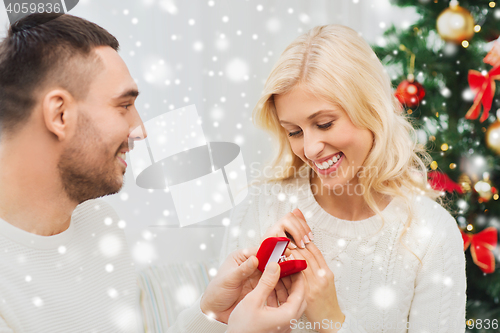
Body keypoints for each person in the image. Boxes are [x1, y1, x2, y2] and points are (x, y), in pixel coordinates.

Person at [0, 13, 306, 332]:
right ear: (60, 115)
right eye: (123, 106)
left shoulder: (99, 224)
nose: (140, 130)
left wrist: (213, 315)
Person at [219, 24, 467, 333]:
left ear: (371, 111)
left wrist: (333, 322)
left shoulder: (431, 235)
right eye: (294, 131)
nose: (309, 149)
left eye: (324, 124)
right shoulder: (257, 208)